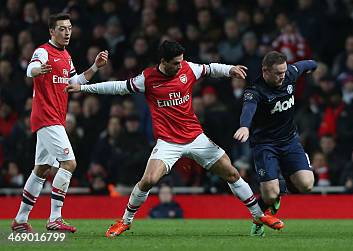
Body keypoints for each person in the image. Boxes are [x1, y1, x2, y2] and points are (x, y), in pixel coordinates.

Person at [65, 41, 283, 238]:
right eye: (175, 63)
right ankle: (125, 221)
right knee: (148, 180)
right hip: (168, 142)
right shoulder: (148, 78)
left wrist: (230, 70)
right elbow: (118, 86)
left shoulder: (188, 68)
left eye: (181, 62)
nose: (180, 66)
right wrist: (84, 88)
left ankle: (257, 215)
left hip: (196, 137)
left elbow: (209, 69)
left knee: (231, 172)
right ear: (163, 62)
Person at [11, 13, 108, 233]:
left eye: (69, 28)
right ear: (52, 31)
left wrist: (95, 67)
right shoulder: (43, 51)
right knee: (69, 164)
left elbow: (74, 82)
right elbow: (30, 69)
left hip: (55, 118)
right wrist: (38, 70)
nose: (67, 33)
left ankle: (20, 220)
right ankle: (55, 218)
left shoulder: (66, 56)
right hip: (46, 117)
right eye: (62, 29)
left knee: (42, 169)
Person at [233, 51, 317, 236]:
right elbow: (248, 110)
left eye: (284, 72)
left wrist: (313, 68)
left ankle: (278, 188)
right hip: (265, 145)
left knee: (307, 184)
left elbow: (310, 63)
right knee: (270, 195)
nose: (282, 76)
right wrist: (245, 127)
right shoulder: (254, 91)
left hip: (289, 141)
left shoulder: (290, 73)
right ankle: (261, 217)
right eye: (278, 73)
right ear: (265, 71)